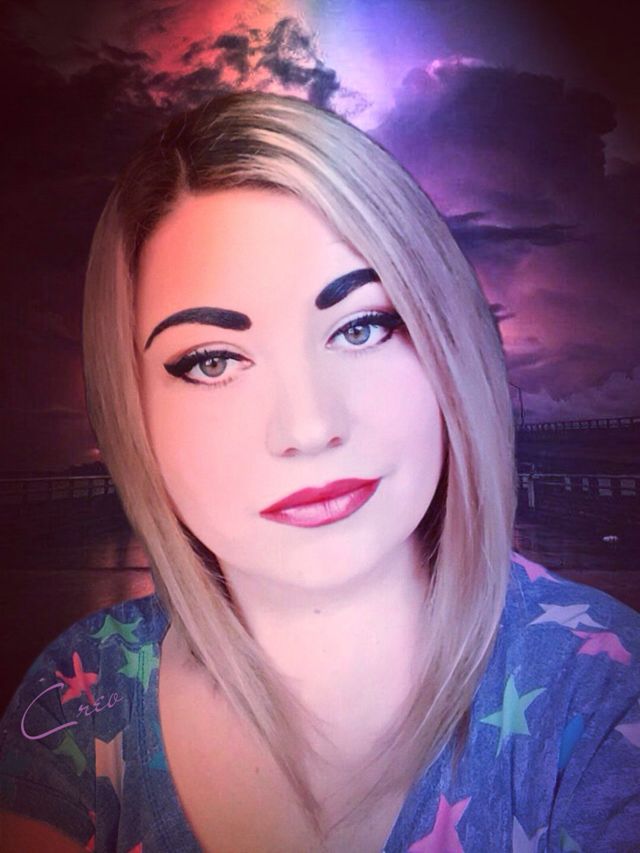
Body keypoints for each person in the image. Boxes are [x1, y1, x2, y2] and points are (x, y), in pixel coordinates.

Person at [1, 90, 639, 853]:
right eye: (212, 361)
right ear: (131, 410)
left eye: (361, 326)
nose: (308, 428)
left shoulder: (602, 687)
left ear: (446, 339)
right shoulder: (82, 692)